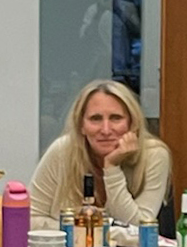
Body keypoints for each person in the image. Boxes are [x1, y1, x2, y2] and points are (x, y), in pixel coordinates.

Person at [28, 79, 172, 235]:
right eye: (95, 119)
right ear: (81, 125)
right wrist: (89, 231)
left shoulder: (154, 155)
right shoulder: (62, 151)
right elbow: (29, 218)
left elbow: (140, 228)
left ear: (132, 123)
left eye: (116, 118)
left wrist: (111, 167)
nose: (105, 130)